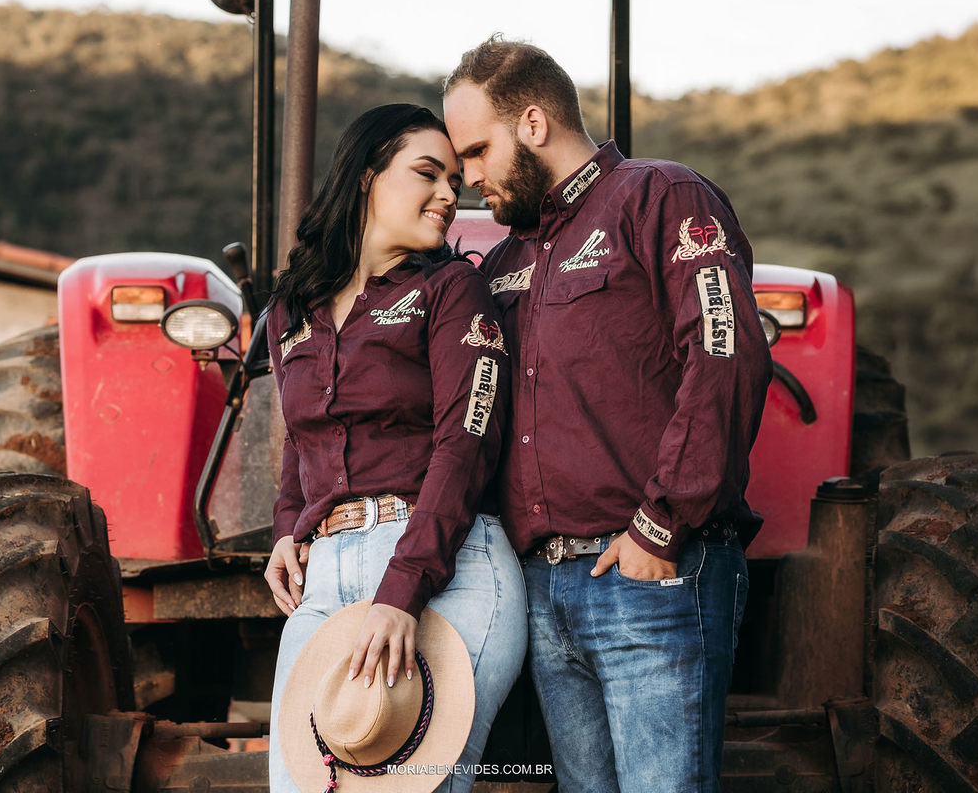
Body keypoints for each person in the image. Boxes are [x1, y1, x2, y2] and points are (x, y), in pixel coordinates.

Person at [442, 39, 773, 793]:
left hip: (650, 575)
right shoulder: (504, 264)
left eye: (477, 151)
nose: (470, 178)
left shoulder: (661, 197)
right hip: (543, 591)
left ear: (533, 124)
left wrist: (660, 526)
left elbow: (724, 351)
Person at [262, 103, 526, 793]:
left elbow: (466, 444)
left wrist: (401, 593)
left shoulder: (451, 290)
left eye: (454, 182)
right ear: (366, 175)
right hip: (325, 577)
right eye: (427, 174)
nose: (448, 194)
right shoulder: (291, 308)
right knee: (297, 784)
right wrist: (288, 527)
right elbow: (301, 437)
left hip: (447, 569)